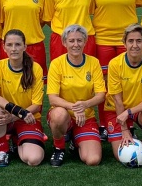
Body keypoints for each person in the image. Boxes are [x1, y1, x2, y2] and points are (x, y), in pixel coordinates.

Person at [101, 24, 142, 168]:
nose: (134, 45)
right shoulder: (115, 64)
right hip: (115, 110)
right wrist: (124, 129)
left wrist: (129, 113)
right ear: (124, 43)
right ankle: (129, 131)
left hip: (139, 109)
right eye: (130, 41)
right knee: (121, 155)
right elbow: (117, 99)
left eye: (139, 41)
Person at [46, 25, 107, 167]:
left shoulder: (94, 62)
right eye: (71, 41)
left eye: (79, 40)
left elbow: (101, 95)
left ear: (85, 42)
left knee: (93, 160)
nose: (76, 44)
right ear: (64, 43)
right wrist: (74, 107)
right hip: (63, 113)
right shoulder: (57, 63)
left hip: (85, 117)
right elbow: (53, 98)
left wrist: (84, 105)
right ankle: (58, 148)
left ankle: (75, 141)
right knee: (59, 115)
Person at [0, 29, 47, 167]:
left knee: (34, 160)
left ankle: (17, 139)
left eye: (18, 44)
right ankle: (2, 151)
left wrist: (16, 116)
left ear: (25, 47)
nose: (13, 49)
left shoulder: (35, 68)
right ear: (4, 47)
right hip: (8, 117)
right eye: (9, 45)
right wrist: (17, 111)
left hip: (27, 118)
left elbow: (37, 105)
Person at [1, 0, 47, 77]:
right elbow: (1, 21)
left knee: (35, 82)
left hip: (34, 46)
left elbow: (42, 20)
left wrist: (31, 30)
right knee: (9, 83)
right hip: (11, 46)